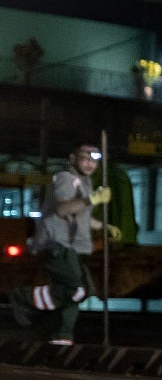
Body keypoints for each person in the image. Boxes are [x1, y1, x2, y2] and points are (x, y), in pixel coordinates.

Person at [10, 143, 120, 345]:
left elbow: (82, 215)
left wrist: (104, 226)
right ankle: (24, 297)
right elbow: (63, 210)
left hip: (73, 246)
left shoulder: (85, 183)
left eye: (93, 161)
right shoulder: (65, 179)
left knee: (83, 291)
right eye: (85, 159)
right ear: (73, 159)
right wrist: (94, 199)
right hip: (56, 243)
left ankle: (61, 336)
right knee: (74, 289)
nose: (89, 164)